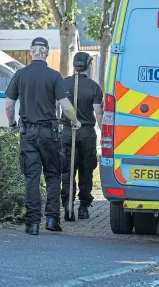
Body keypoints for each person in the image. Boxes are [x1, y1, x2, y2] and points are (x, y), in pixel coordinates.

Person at [5, 37, 81, 235]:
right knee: (53, 175)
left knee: (32, 177)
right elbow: (65, 106)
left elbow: (9, 106)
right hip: (50, 134)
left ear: (31, 52)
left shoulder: (20, 75)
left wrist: (13, 124)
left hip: (28, 133)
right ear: (46, 53)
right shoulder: (54, 76)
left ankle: (32, 224)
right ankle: (51, 220)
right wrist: (75, 121)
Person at [61, 52, 103, 221]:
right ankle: (84, 207)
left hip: (67, 131)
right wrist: (104, 134)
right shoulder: (94, 87)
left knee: (67, 170)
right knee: (86, 171)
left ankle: (67, 205)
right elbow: (98, 112)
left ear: (74, 65)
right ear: (89, 65)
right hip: (86, 134)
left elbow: (58, 107)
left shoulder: (63, 84)